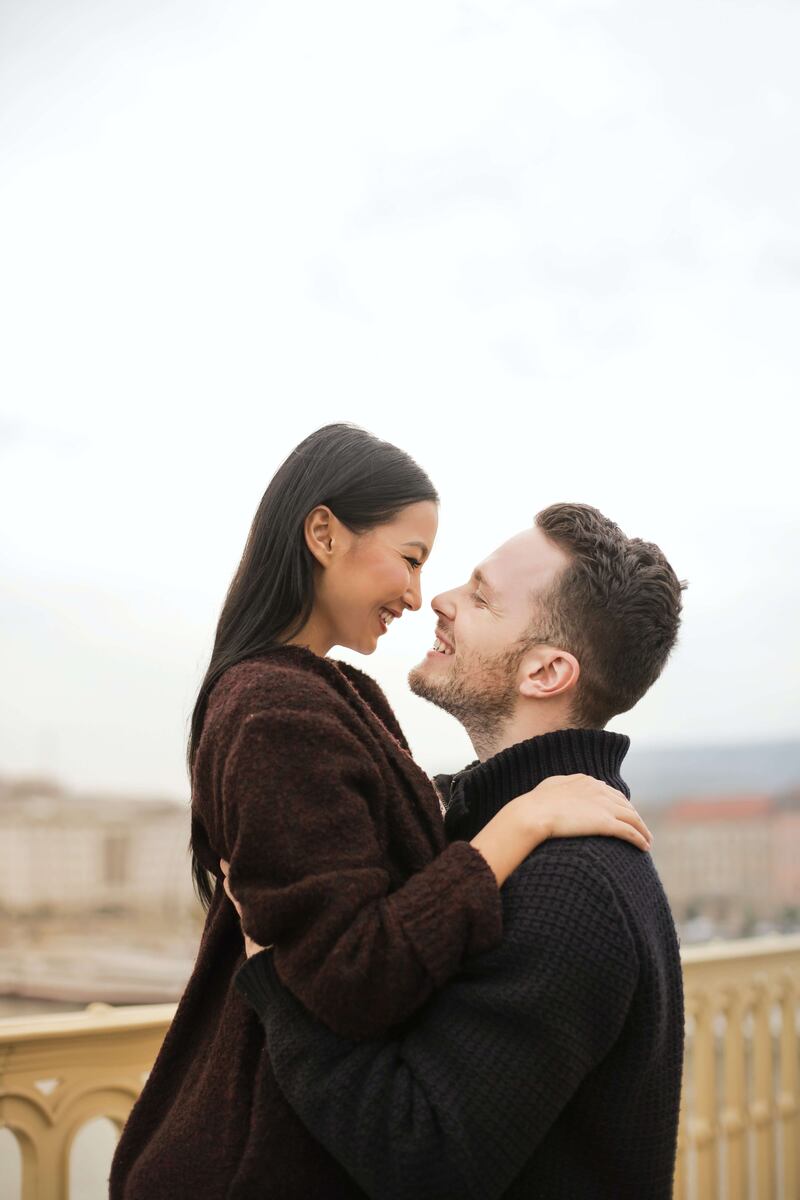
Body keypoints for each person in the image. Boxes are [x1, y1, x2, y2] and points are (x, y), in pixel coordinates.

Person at [108, 426, 649, 1200]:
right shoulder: (271, 709)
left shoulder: (339, 695)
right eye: (412, 557)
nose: (417, 593)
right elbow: (354, 976)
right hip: (254, 1162)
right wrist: (516, 824)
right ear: (323, 533)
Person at [228, 502, 687, 1200]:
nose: (435, 599)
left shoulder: (573, 886)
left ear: (544, 673)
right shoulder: (500, 837)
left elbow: (418, 1157)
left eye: (479, 597)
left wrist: (275, 977)